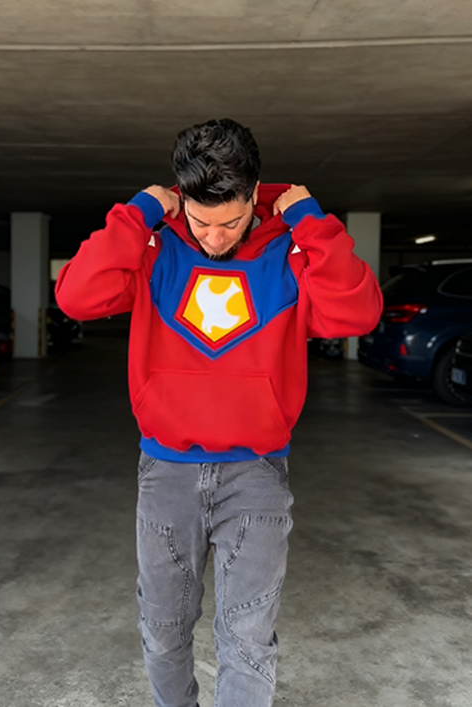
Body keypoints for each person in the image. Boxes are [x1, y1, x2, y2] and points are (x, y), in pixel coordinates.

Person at [55, 118, 383, 707]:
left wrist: (311, 222)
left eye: (229, 222)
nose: (212, 237)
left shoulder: (290, 253)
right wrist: (137, 213)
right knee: (163, 630)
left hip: (256, 473)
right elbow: (77, 296)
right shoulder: (156, 249)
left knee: (248, 638)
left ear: (253, 194)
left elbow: (356, 313)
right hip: (166, 472)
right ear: (182, 197)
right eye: (201, 221)